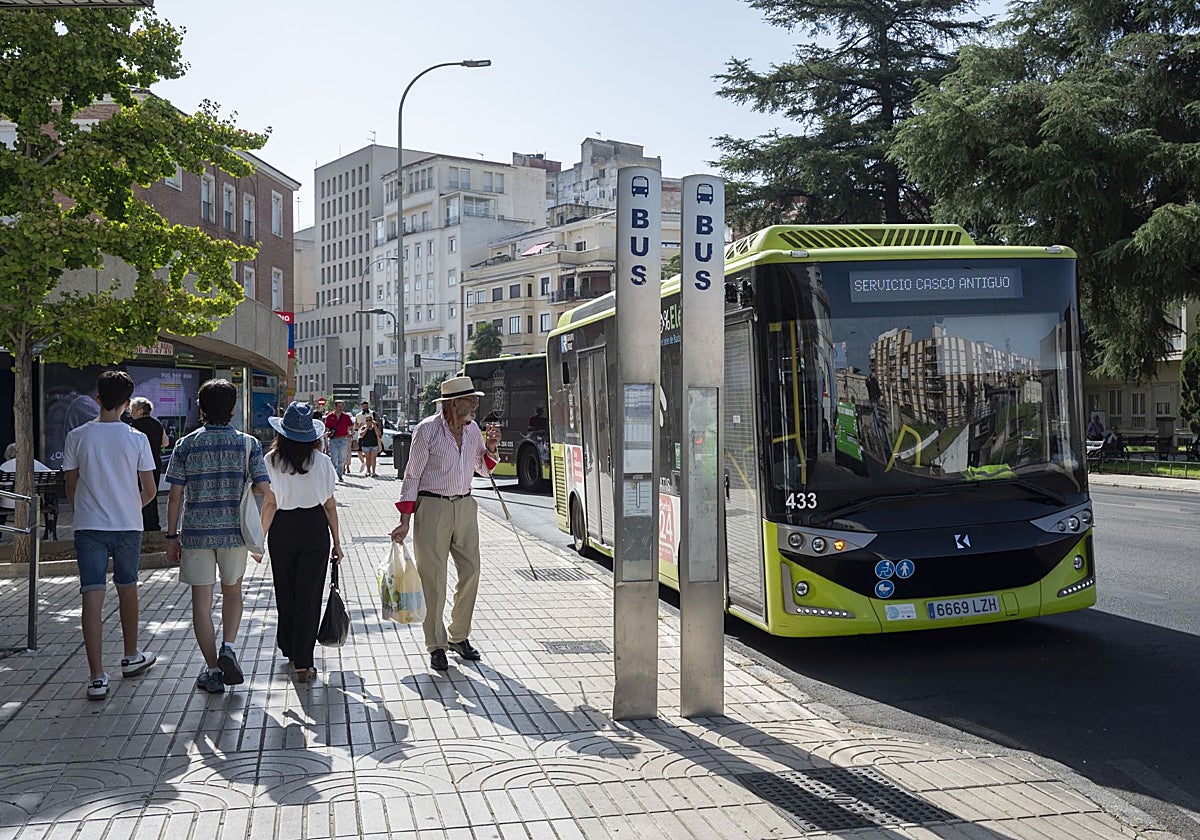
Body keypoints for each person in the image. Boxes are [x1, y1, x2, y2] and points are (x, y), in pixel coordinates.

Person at [164, 379, 271, 695]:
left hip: (196, 534)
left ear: (201, 408)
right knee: (233, 591)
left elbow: (174, 496)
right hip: (234, 533)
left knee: (201, 602)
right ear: (233, 408)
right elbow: (263, 488)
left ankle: (212, 670)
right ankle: (228, 647)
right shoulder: (248, 444)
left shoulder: (186, 445)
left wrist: (171, 536)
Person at [390, 375, 500, 672]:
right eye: (469, 400)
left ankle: (458, 636)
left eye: (474, 400)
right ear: (453, 403)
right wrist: (404, 521)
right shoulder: (426, 430)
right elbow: (412, 475)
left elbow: (482, 468)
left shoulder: (473, 430)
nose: (475, 405)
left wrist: (491, 449)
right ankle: (436, 644)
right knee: (434, 580)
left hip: (465, 506)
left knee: (472, 570)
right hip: (432, 507)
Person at [62, 370, 158, 700]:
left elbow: (71, 485)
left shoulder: (77, 436)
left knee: (92, 594)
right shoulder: (137, 438)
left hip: (88, 526)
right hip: (128, 525)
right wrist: (129, 505)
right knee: (128, 588)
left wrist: (85, 509)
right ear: (128, 403)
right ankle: (131, 656)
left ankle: (96, 677)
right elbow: (150, 490)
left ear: (97, 399)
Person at [260, 401, 341, 683]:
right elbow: (330, 505)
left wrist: (259, 540)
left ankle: (289, 647)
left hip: (282, 528)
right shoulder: (323, 462)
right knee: (309, 596)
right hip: (314, 528)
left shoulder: (271, 461)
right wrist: (337, 542)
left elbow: (269, 504)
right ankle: (304, 662)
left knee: (286, 591)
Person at [128, 397, 169, 532]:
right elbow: (165, 443)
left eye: (132, 410)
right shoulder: (157, 423)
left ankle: (140, 523)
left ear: (140, 410)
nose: (131, 413)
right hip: (155, 463)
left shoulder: (134, 426)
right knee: (153, 494)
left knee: (139, 492)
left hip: (138, 464)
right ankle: (153, 524)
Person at [0, 442, 53, 529]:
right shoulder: (34, 463)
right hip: (31, 503)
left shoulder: (4, 466)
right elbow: (51, 474)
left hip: (7, 504)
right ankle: (33, 530)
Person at [324, 400, 353, 481]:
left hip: (343, 439)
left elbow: (350, 425)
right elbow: (327, 427)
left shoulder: (346, 416)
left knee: (342, 458)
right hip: (333, 439)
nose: (340, 408)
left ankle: (339, 475)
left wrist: (350, 431)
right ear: (335, 407)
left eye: (341, 406)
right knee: (333, 458)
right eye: (339, 406)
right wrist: (327, 433)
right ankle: (333, 475)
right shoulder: (330, 416)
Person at [359, 413, 381, 477]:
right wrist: (366, 428)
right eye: (367, 420)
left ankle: (373, 472)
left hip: (374, 445)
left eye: (370, 420)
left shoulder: (374, 427)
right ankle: (368, 471)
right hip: (366, 445)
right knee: (367, 459)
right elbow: (361, 435)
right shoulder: (363, 427)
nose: (368, 421)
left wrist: (374, 426)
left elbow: (378, 434)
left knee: (373, 458)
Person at [354, 400, 371, 473]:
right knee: (359, 451)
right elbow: (355, 426)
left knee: (369, 452)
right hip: (361, 435)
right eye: (364, 406)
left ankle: (368, 469)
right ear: (361, 407)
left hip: (370, 435)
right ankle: (363, 462)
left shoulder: (372, 413)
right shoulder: (358, 415)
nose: (365, 408)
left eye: (366, 406)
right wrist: (358, 426)